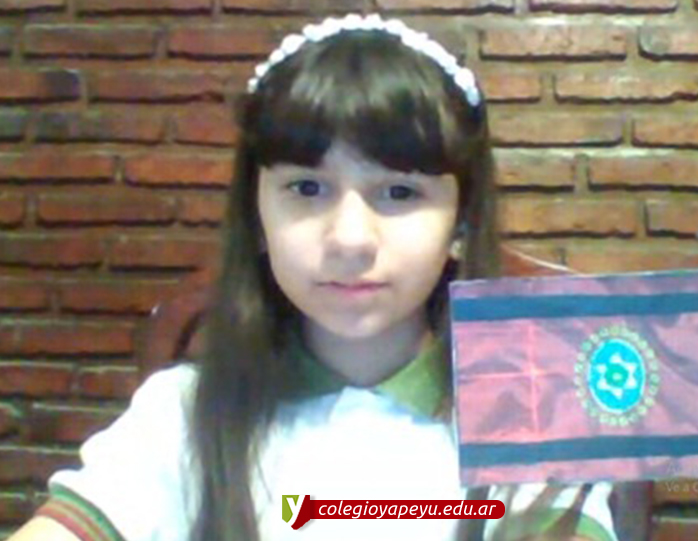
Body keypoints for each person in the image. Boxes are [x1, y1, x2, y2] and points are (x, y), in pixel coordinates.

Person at [9, 13, 618, 541]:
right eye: (306, 188)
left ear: (461, 223)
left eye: (399, 192)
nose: (349, 239)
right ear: (257, 215)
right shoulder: (183, 415)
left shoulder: (533, 424)